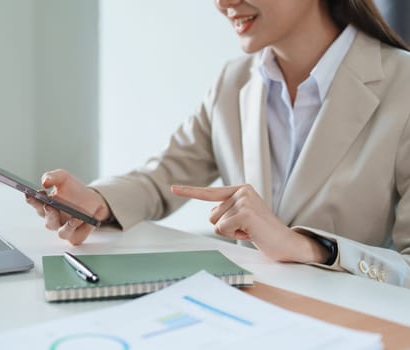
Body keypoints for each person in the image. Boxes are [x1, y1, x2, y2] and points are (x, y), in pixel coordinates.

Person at [27, 0, 410, 288]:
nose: (222, 2)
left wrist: (311, 248)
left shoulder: (402, 83)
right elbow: (164, 176)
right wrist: (95, 200)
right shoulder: (235, 80)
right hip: (251, 312)